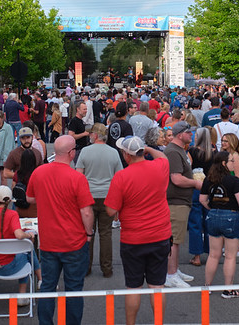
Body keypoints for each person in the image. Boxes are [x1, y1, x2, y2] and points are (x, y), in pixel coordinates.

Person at [26, 135, 94, 325]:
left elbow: (30, 198)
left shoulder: (39, 173)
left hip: (48, 242)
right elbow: (86, 212)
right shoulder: (77, 178)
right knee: (73, 289)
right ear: (72, 153)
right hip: (74, 241)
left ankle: (45, 322)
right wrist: (89, 233)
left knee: (47, 286)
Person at [104, 136, 170, 325]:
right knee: (157, 286)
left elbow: (110, 210)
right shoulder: (159, 167)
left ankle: (130, 324)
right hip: (160, 234)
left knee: (133, 286)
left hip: (133, 238)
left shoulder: (122, 176)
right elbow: (163, 157)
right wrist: (148, 149)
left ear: (126, 155)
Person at [0, 185, 41, 306]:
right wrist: (28, 235)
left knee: (24, 251)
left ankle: (40, 279)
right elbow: (18, 234)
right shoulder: (12, 214)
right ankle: (31, 287)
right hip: (8, 265)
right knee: (27, 250)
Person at [199, 150, 239, 299]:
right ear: (224, 163)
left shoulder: (209, 179)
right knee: (230, 256)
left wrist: (212, 208)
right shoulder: (233, 181)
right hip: (231, 216)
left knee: (213, 255)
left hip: (213, 215)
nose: (233, 164)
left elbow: (202, 199)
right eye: (231, 161)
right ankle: (228, 290)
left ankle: (207, 286)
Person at [76, 123, 122, 278]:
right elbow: (119, 178)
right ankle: (107, 268)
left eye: (90, 134)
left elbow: (79, 176)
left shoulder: (85, 151)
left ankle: (86, 267)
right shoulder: (113, 153)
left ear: (94, 135)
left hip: (88, 196)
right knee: (106, 233)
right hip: (107, 196)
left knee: (88, 232)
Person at [164, 121, 201, 288]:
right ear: (180, 135)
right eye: (189, 132)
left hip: (181, 200)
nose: (191, 135)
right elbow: (176, 179)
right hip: (176, 201)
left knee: (177, 239)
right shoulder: (173, 151)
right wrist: (195, 183)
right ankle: (170, 274)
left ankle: (174, 270)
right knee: (174, 239)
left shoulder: (178, 150)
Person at [188, 127, 216, 267]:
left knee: (195, 221)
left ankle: (197, 255)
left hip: (196, 187)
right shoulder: (213, 153)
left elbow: (188, 168)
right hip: (210, 188)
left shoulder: (192, 151)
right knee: (209, 220)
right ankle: (211, 252)